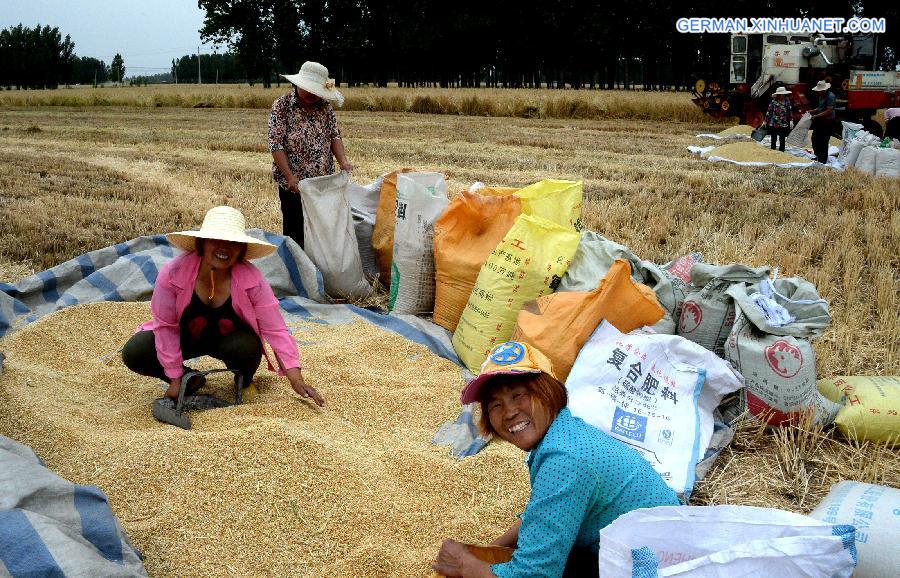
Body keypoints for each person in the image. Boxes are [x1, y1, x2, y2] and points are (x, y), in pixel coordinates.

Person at [433, 342, 680, 578]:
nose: (509, 412)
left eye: (518, 395)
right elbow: (544, 512)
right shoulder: (564, 433)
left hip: (660, 566)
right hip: (651, 546)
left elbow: (535, 575)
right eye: (495, 405)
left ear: (548, 392)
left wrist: (466, 564)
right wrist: (489, 551)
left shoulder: (564, 458)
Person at [122, 206, 324, 406]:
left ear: (241, 250)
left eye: (233, 243)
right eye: (216, 240)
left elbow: (275, 329)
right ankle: (188, 379)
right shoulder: (173, 273)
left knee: (247, 346)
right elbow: (166, 326)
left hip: (229, 340)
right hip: (185, 337)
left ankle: (243, 381)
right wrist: (175, 378)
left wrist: (296, 379)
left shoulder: (252, 278)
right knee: (136, 350)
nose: (224, 248)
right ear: (202, 243)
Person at [268, 61, 352, 249]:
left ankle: (320, 274)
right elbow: (276, 144)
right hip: (294, 186)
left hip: (322, 184)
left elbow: (334, 136)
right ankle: (298, 274)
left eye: (317, 92)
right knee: (295, 234)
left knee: (323, 233)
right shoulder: (282, 106)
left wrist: (343, 162)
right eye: (309, 90)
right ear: (298, 85)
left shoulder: (325, 107)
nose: (313, 95)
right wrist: (290, 176)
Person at [809, 80, 835, 164]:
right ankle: (818, 156)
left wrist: (816, 116)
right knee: (815, 139)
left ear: (824, 90)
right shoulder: (821, 96)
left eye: (819, 91)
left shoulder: (830, 96)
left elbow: (829, 111)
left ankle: (822, 160)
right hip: (820, 120)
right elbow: (820, 108)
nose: (818, 93)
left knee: (823, 141)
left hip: (827, 121)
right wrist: (813, 111)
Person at [765, 86, 793, 152]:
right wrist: (765, 121)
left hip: (783, 123)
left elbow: (789, 111)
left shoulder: (787, 101)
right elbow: (769, 112)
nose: (782, 96)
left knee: (782, 138)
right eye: (781, 94)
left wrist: (791, 120)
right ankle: (773, 151)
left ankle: (781, 151)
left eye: (783, 94)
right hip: (774, 123)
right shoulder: (773, 102)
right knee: (773, 138)